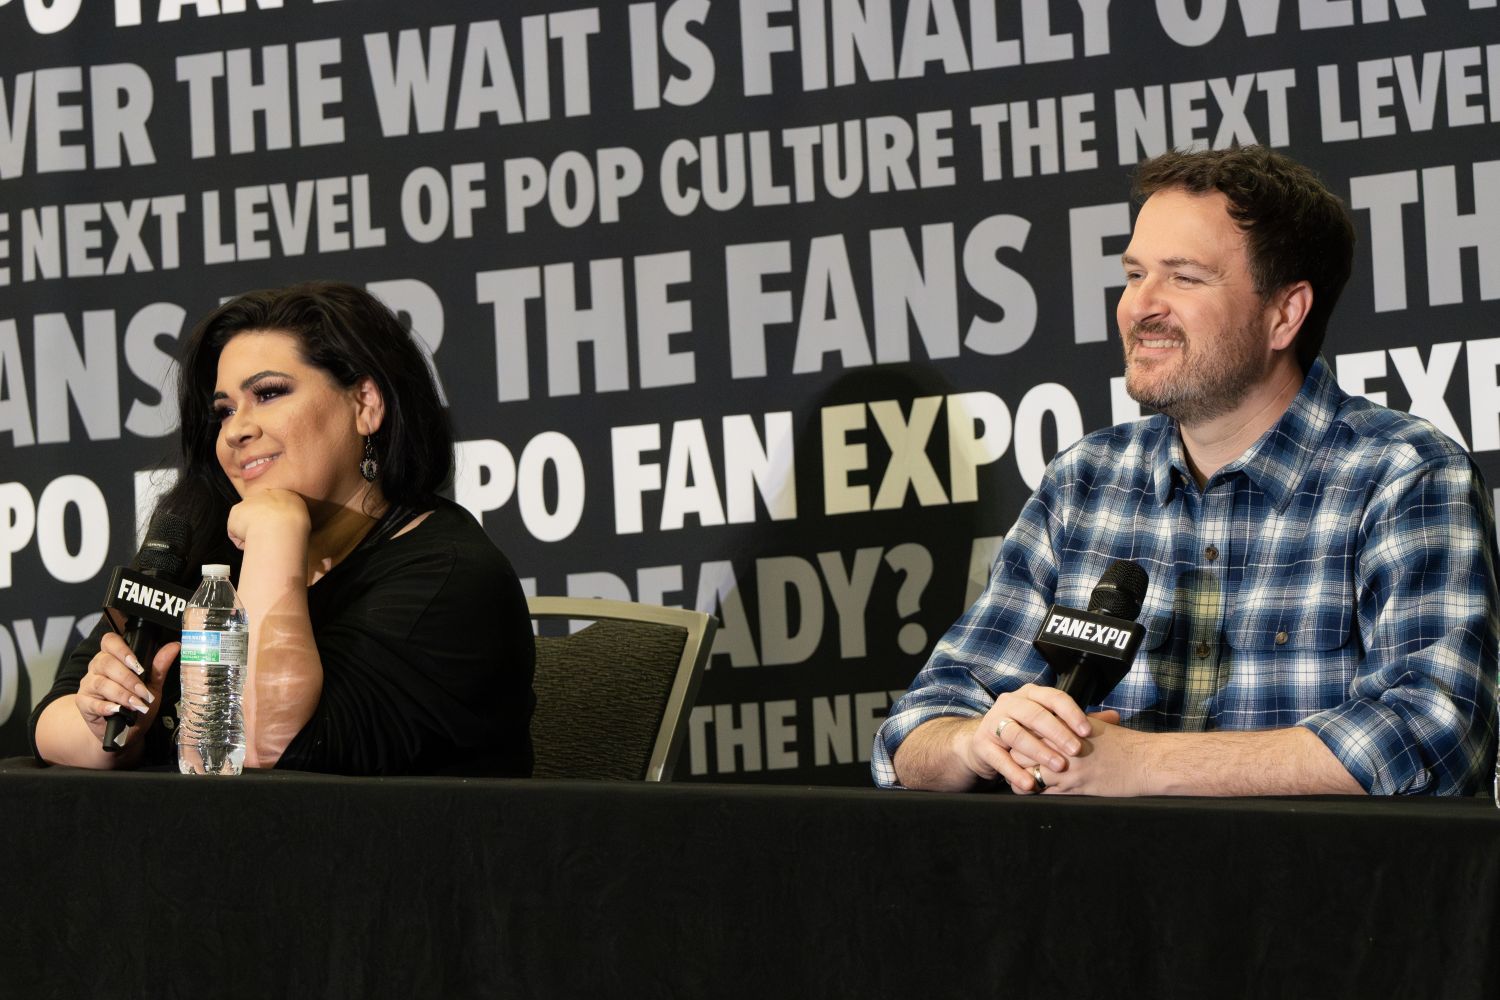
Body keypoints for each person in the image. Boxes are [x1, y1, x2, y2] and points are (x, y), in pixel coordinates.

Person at [873, 145, 1499, 797]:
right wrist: (981, 741)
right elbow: (910, 737)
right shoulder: (1084, 482)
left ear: (1284, 314)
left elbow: (1436, 734)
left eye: (1184, 277)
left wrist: (1143, 764)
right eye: (1135, 273)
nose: (1140, 306)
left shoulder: (1403, 475)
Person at [30, 281, 535, 776]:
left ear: (366, 404)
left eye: (269, 394)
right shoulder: (199, 543)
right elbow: (52, 722)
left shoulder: (453, 578)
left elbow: (261, 748)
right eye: (224, 410)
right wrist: (115, 734)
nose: (234, 431)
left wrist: (277, 529)